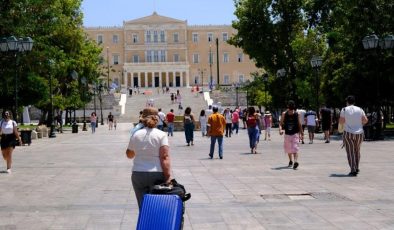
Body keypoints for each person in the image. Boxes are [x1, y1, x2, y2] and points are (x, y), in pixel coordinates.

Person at [126, 107, 172, 208]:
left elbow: (129, 155)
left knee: (143, 207)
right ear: (157, 119)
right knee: (156, 207)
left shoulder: (136, 134)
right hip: (157, 174)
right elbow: (164, 157)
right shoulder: (162, 135)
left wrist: (139, 149)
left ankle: (144, 223)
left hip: (138, 174)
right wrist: (168, 177)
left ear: (142, 119)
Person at [339, 95, 368, 176]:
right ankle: (357, 167)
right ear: (354, 102)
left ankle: (353, 169)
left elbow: (341, 121)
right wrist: (359, 124)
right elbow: (365, 120)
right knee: (357, 150)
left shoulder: (344, 109)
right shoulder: (360, 109)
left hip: (348, 132)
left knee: (350, 151)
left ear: (347, 102)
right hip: (359, 133)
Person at [279, 100, 303, 169]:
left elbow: (299, 124)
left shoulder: (296, 114)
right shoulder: (284, 114)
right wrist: (280, 129)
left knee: (295, 148)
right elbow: (280, 123)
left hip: (294, 134)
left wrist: (301, 132)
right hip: (288, 134)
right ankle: (291, 160)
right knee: (289, 149)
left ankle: (295, 162)